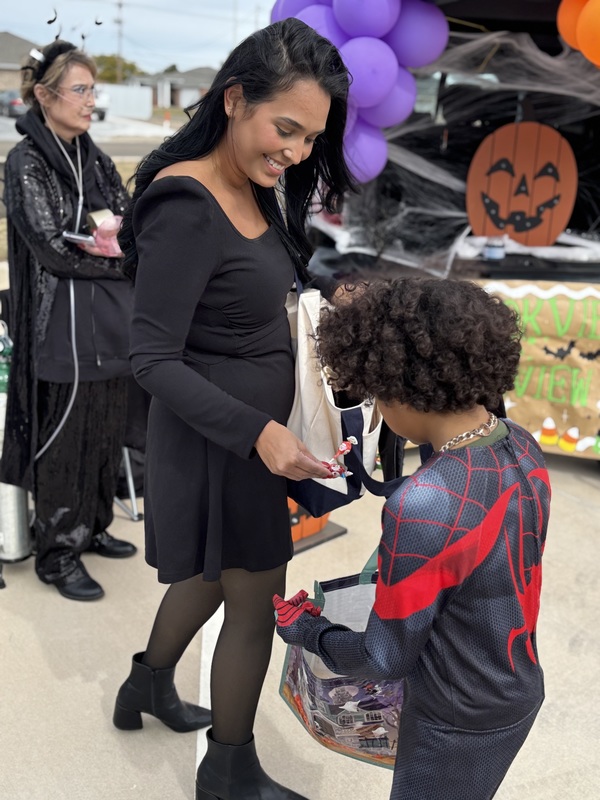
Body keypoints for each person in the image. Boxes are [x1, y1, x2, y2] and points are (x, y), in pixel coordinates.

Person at [111, 18, 355, 800]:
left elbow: (248, 301)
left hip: (255, 437)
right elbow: (150, 359)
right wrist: (259, 433)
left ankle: (145, 685)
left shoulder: (257, 186)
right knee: (254, 601)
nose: (295, 151)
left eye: (310, 138)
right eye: (285, 128)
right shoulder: (185, 203)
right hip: (225, 439)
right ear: (235, 99)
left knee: (217, 580)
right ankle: (229, 767)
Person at [274, 277, 551, 800]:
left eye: (377, 396)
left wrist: (309, 631)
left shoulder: (422, 506)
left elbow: (386, 658)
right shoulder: (522, 444)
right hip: (514, 688)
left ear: (399, 388)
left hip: (453, 715)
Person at [0, 40, 137, 601]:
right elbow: (53, 249)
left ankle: (93, 524)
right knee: (65, 435)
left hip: (105, 318)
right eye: (80, 90)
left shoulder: (91, 155)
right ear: (44, 95)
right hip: (57, 322)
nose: (90, 101)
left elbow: (125, 212)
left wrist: (121, 241)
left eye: (92, 91)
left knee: (105, 427)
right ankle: (57, 551)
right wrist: (116, 255)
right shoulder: (26, 162)